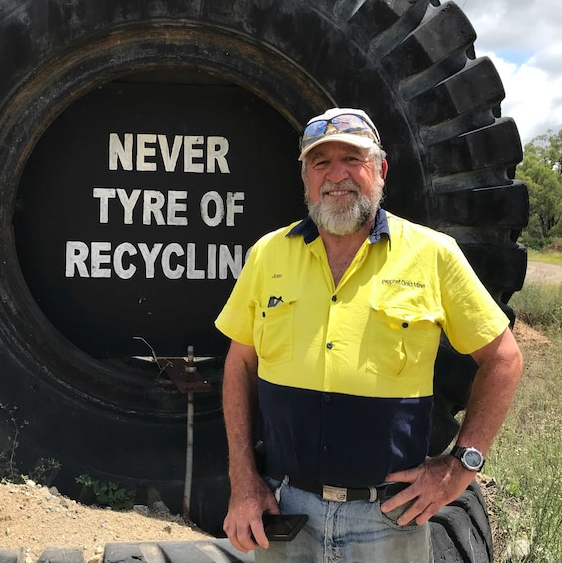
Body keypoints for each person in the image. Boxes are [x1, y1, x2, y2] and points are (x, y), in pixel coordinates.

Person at [214, 107, 523, 562]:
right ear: (305, 178)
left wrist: (461, 467)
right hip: (285, 509)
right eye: (321, 163)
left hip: (388, 517)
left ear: (380, 170)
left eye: (351, 160)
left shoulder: (433, 255)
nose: (336, 175)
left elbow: (503, 358)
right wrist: (244, 482)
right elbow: (240, 364)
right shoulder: (268, 255)